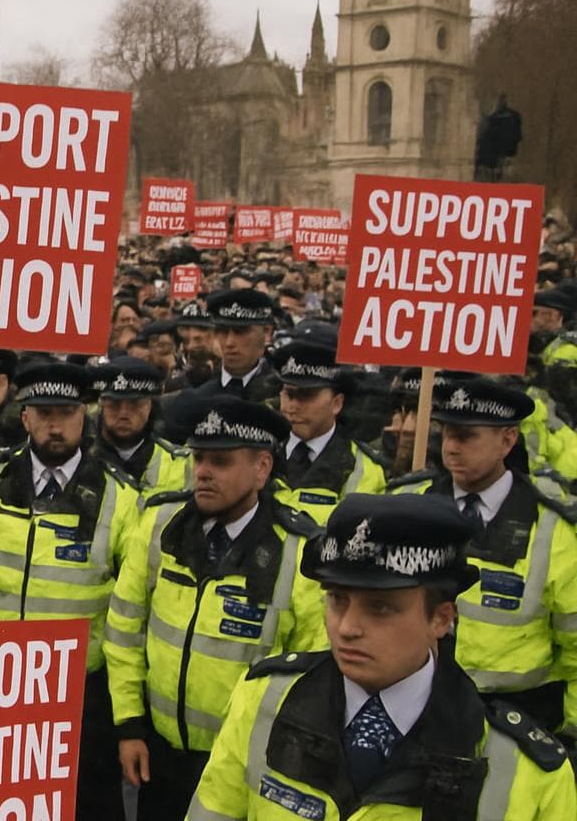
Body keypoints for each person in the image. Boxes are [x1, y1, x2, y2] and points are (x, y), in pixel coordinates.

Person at [176, 493, 577, 821]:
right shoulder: (263, 702)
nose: (347, 626)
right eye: (337, 599)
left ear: (441, 619)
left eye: (380, 608)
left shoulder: (526, 772)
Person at [105, 396, 326, 821]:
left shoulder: (296, 551)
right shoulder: (161, 525)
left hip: (246, 763)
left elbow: (312, 670)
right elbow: (124, 630)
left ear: (262, 468)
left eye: (221, 462)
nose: (202, 471)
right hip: (160, 754)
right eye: (199, 458)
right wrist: (129, 724)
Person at [0, 360, 143, 821]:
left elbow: (129, 614)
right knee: (3, 816)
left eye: (66, 412)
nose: (55, 425)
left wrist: (127, 717)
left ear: (87, 416)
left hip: (79, 690)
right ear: (25, 418)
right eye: (44, 413)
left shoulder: (119, 498)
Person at [388, 376, 577, 736]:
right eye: (447, 433)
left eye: (467, 436)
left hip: (519, 715)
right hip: (415, 703)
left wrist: (569, 734)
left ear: (507, 440)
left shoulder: (552, 529)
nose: (452, 448)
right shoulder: (409, 504)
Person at [271, 341, 387, 521]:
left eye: (306, 396)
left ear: (336, 403)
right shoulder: (260, 452)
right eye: (289, 394)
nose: (293, 406)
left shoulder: (364, 468)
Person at [163, 290, 280, 443]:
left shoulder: (285, 393)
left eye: (240, 332)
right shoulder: (194, 396)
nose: (229, 342)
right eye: (222, 331)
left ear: (266, 333)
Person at [92, 356, 193, 498]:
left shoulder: (182, 464)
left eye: (135, 404)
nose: (123, 414)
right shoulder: (79, 463)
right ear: (101, 405)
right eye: (114, 404)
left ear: (151, 406)